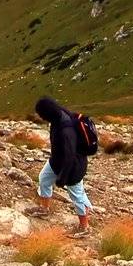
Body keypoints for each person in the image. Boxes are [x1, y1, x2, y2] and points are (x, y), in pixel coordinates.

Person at [31, 97, 92, 235]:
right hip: (57, 161)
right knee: (44, 179)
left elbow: (70, 156)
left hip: (73, 167)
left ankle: (85, 227)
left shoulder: (66, 129)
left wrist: (63, 177)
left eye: (41, 114)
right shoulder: (58, 116)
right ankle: (44, 209)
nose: (40, 117)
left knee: (77, 195)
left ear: (47, 113)